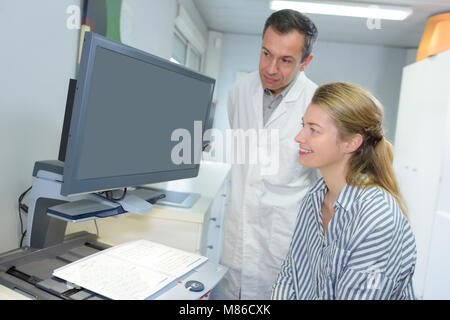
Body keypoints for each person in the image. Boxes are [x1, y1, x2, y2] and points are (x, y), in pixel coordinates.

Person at [271, 82, 417, 300]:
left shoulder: (377, 218)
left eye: (313, 130)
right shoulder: (315, 198)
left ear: (351, 143)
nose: (299, 137)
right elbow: (291, 274)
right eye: (303, 125)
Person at [217, 9, 320, 300]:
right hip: (237, 238)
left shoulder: (317, 105)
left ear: (305, 62)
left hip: (281, 247)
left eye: (286, 60)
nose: (271, 68)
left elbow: (322, 184)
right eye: (266, 53)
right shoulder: (239, 91)